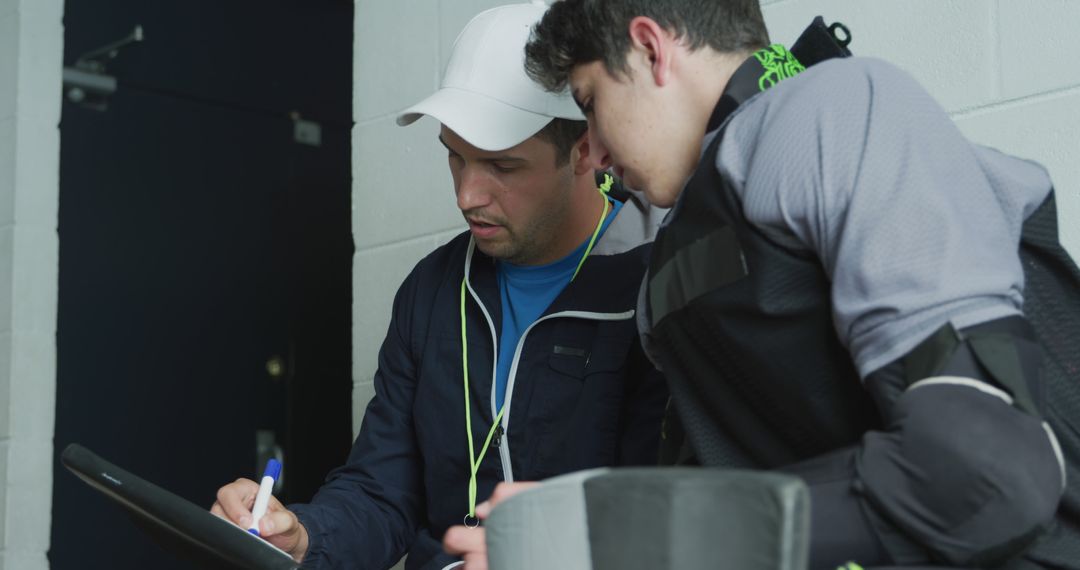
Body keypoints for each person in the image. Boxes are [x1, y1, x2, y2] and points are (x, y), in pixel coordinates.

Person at [444, 1, 1080, 568]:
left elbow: (985, 477)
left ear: (650, 48)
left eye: (591, 104)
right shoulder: (672, 264)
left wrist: (624, 531)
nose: (599, 154)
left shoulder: (824, 112)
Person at [210, 3, 667, 569]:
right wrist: (302, 536)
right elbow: (382, 492)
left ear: (582, 151)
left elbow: (679, 516)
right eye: (455, 157)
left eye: (501, 166)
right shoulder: (431, 291)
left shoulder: (661, 280)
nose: (467, 195)